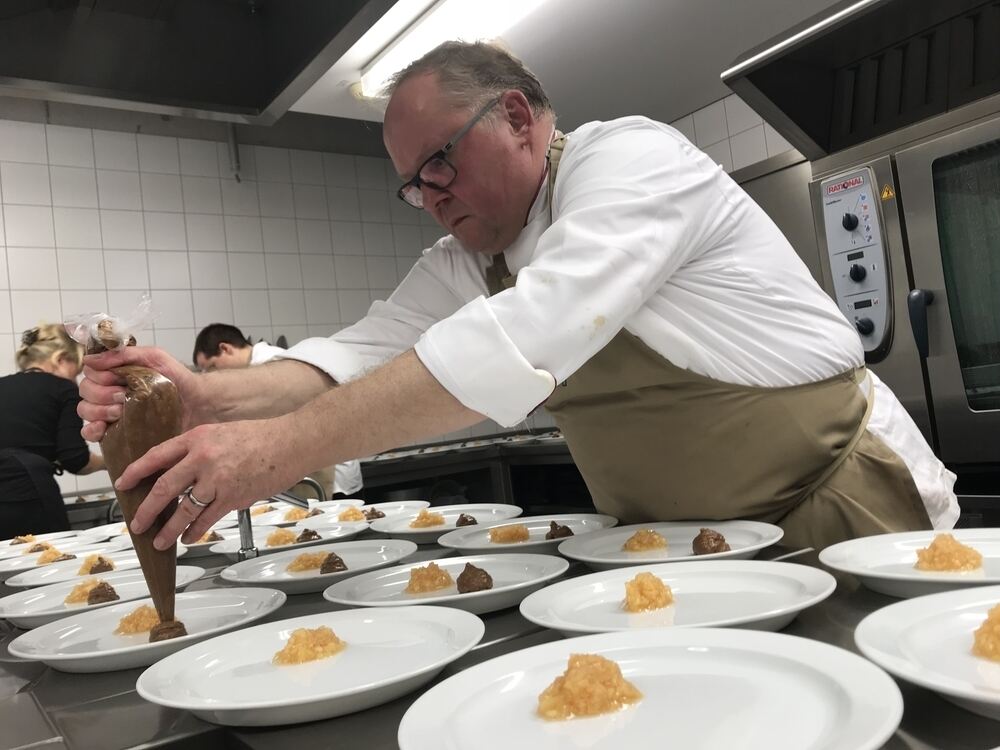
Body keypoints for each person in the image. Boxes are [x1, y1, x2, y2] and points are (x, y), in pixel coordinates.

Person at [79, 41, 958, 553]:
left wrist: (270, 454)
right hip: (696, 550)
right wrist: (203, 398)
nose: (430, 195)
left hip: (842, 511)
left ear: (518, 117)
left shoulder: (631, 162)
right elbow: (349, 357)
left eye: (440, 162)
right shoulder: (470, 257)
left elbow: (528, 332)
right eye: (413, 185)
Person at [191, 323, 364, 499]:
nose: (211, 374)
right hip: (310, 469)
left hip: (329, 472)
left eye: (211, 366)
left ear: (225, 349)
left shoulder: (275, 363)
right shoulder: (257, 368)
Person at [0, 324, 106, 538]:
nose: (75, 380)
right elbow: (76, 459)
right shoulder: (63, 388)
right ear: (60, 359)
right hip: (28, 497)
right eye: (75, 371)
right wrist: (109, 464)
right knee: (49, 561)